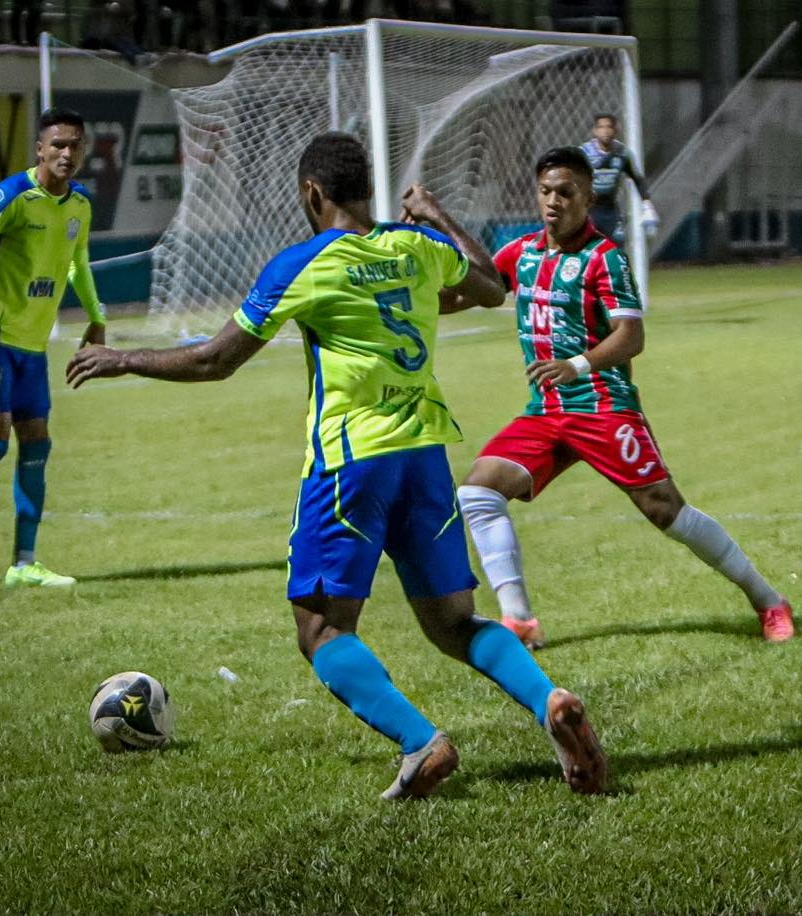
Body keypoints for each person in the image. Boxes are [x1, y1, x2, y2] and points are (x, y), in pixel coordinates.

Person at [66, 132, 607, 799]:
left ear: (311, 193)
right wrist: (435, 216)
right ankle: (546, 699)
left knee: (320, 628)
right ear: (367, 191)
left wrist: (123, 359)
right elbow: (493, 287)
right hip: (425, 458)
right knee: (452, 622)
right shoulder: (416, 248)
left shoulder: (304, 262)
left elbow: (215, 359)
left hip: (351, 465)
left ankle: (421, 743)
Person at [454, 146, 794, 649]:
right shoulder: (521, 253)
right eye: (546, 191)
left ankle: (768, 600)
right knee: (478, 493)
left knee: (665, 510)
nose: (553, 202)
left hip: (602, 406)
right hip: (548, 412)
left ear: (588, 197)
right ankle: (518, 618)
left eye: (565, 193)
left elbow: (631, 336)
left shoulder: (604, 258)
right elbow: (468, 293)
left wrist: (576, 365)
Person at [0, 107, 106, 589]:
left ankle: (23, 562)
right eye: (57, 144)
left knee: (37, 444)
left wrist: (97, 316)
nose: (66, 153)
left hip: (31, 346)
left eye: (75, 145)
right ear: (39, 148)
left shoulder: (79, 205)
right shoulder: (10, 196)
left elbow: (78, 264)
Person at [580, 113, 658, 245]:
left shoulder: (622, 153)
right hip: (588, 210)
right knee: (588, 249)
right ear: (595, 131)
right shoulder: (584, 152)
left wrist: (647, 205)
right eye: (601, 127)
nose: (605, 131)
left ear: (615, 130)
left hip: (610, 210)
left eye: (609, 127)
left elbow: (637, 179)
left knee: (616, 248)